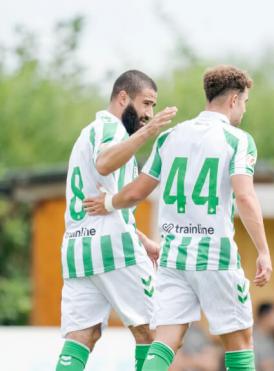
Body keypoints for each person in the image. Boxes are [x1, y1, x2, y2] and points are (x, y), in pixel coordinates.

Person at [85, 64, 273, 371]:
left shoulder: (169, 137)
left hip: (173, 258)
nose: (244, 110)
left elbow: (135, 193)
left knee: (166, 340)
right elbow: (245, 196)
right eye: (245, 103)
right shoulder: (238, 139)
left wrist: (107, 201)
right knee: (239, 342)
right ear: (234, 100)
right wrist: (263, 251)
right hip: (216, 256)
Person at [56, 70, 177, 371]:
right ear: (123, 97)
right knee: (158, 333)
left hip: (77, 250)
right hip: (113, 247)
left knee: (82, 336)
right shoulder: (112, 128)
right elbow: (104, 162)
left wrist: (142, 239)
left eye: (153, 106)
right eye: (146, 103)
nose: (149, 114)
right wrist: (147, 134)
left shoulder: (91, 132)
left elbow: (105, 197)